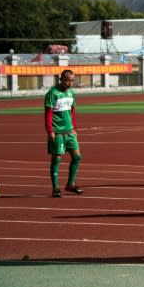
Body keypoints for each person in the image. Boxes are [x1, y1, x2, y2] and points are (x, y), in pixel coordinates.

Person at [45, 69, 84, 198]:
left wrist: (75, 128)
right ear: (61, 79)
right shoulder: (52, 93)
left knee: (77, 157)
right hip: (58, 131)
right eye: (68, 80)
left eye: (72, 80)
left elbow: (72, 111)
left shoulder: (71, 93)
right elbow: (48, 113)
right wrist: (50, 130)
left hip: (70, 130)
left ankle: (70, 184)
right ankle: (55, 188)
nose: (70, 83)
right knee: (56, 158)